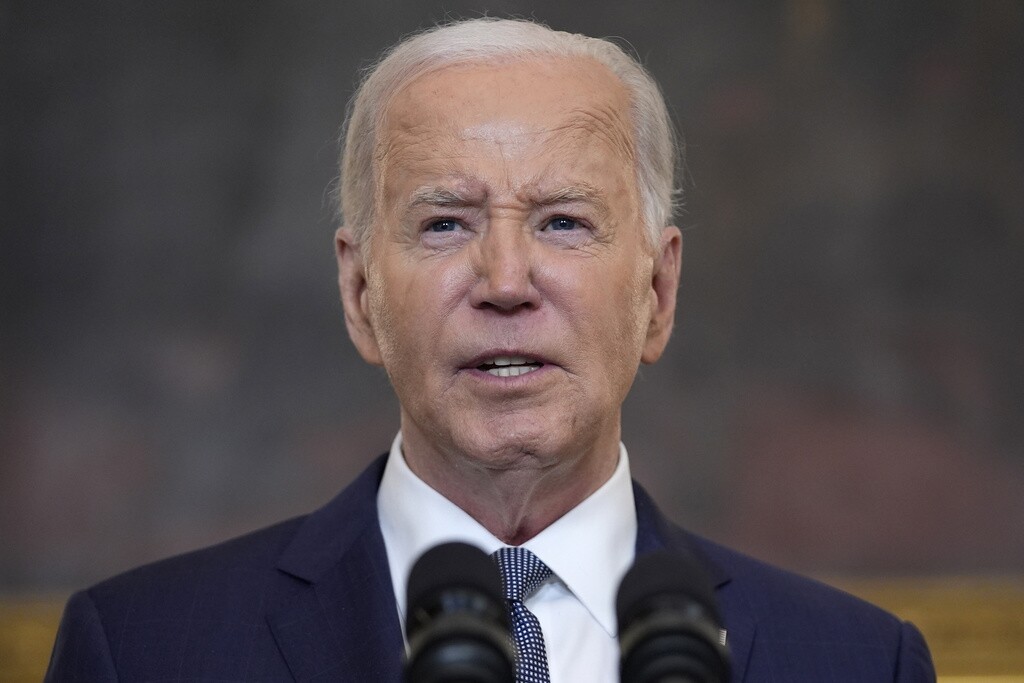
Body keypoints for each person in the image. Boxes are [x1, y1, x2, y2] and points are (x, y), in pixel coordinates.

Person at [46, 18, 935, 682]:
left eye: (563, 222)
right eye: (444, 223)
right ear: (360, 295)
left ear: (657, 293)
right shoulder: (143, 649)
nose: (506, 278)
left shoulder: (856, 661)